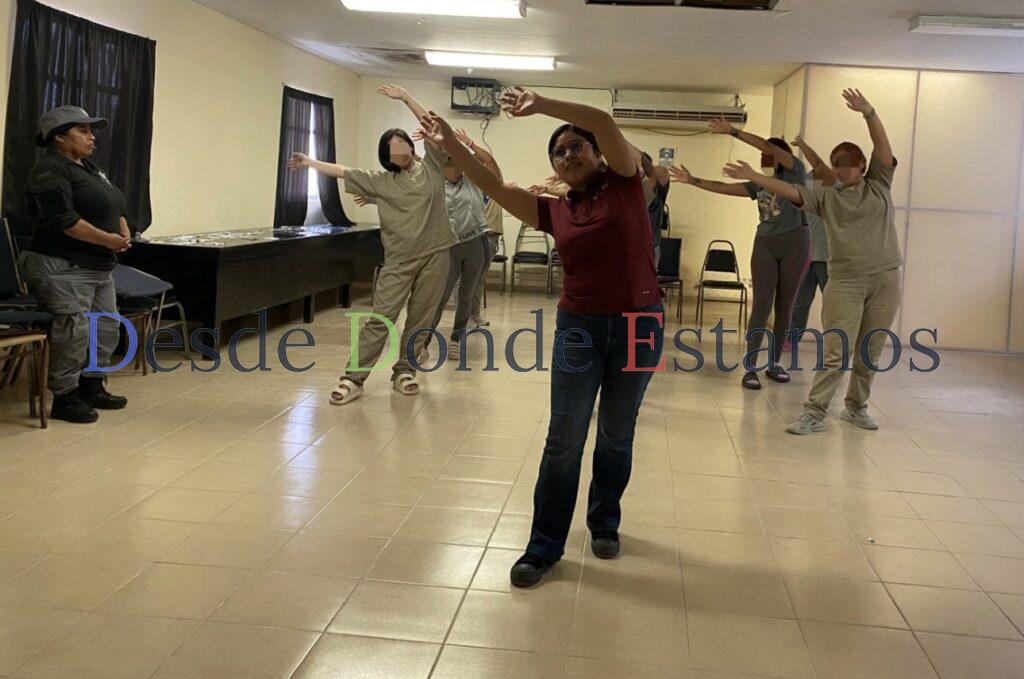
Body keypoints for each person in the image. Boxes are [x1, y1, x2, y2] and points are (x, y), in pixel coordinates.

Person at [420, 86, 664, 588]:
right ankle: (544, 546)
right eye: (558, 150)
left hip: (642, 324)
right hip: (580, 328)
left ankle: (604, 522)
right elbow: (492, 183)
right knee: (564, 439)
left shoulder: (625, 183)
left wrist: (543, 106)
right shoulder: (551, 210)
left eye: (576, 146)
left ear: (596, 153)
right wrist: (451, 143)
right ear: (553, 165)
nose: (568, 154)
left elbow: (602, 119)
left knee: (617, 433)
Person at [723, 89, 901, 435]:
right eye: (838, 164)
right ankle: (815, 412)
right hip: (846, 282)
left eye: (849, 162)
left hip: (885, 280)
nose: (843, 168)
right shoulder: (825, 197)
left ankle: (855, 407)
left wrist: (869, 113)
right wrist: (754, 175)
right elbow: (789, 191)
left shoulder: (879, 184)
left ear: (862, 166)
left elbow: (883, 148)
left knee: (870, 352)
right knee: (836, 351)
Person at [289, 84, 454, 404]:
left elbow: (435, 127)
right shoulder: (380, 182)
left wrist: (407, 98)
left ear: (411, 145)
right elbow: (343, 171)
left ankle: (405, 370)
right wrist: (310, 162)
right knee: (381, 318)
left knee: (421, 318)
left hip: (436, 253)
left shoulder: (432, 168)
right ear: (386, 157)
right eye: (393, 150)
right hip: (399, 260)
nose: (401, 152)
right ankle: (353, 378)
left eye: (403, 145)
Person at [669, 118, 810, 390]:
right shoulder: (760, 183)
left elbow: (765, 145)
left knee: (785, 307)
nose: (763, 159)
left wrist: (734, 132)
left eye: (766, 155)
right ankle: (750, 367)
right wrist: (693, 180)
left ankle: (775, 363)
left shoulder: (796, 172)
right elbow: (724, 188)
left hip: (795, 243)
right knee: (761, 306)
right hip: (765, 244)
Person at [18, 105, 131, 424]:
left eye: (91, 130)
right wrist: (110, 240)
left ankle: (92, 386)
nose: (91, 136)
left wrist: (122, 228)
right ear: (58, 138)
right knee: (73, 333)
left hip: (98, 267)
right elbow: (63, 220)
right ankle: (65, 398)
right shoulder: (48, 171)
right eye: (82, 130)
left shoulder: (89, 168)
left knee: (106, 327)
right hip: (64, 265)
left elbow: (115, 203)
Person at [425, 128, 502, 357]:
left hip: (476, 245)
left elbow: (490, 163)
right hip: (449, 246)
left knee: (466, 296)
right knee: (440, 296)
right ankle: (425, 340)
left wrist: (469, 143)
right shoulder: (436, 184)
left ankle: (457, 338)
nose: (455, 168)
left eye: (459, 163)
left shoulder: (474, 182)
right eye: (450, 163)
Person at [787, 134, 834, 345]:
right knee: (800, 301)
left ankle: (837, 341)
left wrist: (803, 145)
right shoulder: (802, 189)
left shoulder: (835, 190)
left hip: (828, 257)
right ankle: (791, 339)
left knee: (833, 302)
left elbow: (819, 165)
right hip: (806, 256)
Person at [640, 152, 670, 266]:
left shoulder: (652, 185)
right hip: (628, 244)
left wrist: (641, 170)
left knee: (644, 282)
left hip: (649, 245)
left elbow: (663, 171)